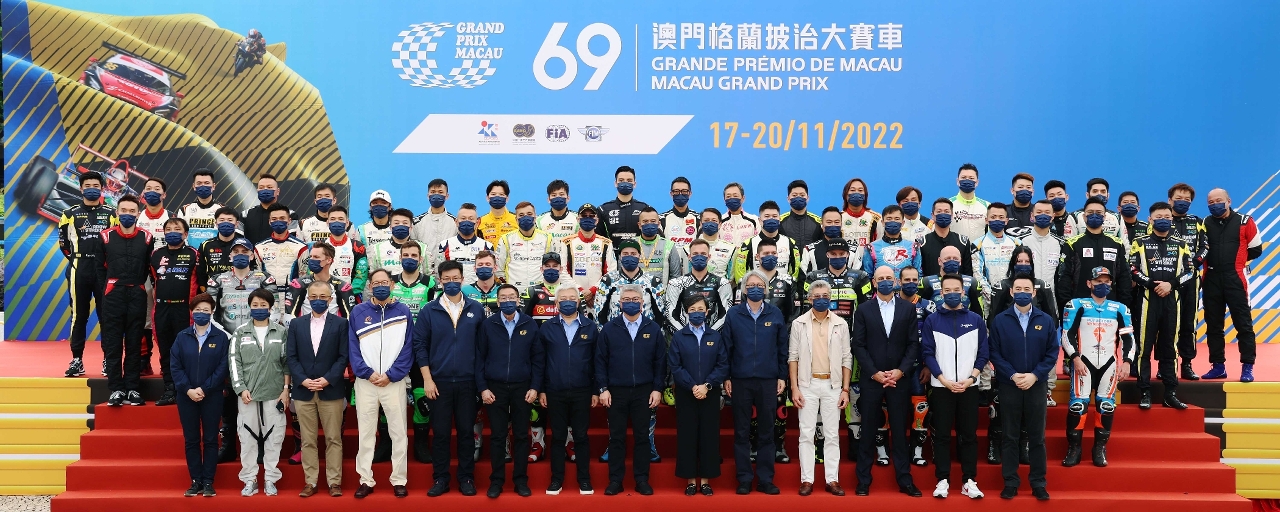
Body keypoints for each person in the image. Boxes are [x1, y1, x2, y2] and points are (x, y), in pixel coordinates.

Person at [414, 260, 487, 497]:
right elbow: (420, 346)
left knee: (466, 432)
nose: (452, 282)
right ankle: (441, 478)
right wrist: (427, 379)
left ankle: (466, 478)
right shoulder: (429, 310)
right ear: (440, 281)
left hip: (468, 382)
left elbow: (483, 348)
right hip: (438, 383)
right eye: (447, 279)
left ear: (463, 279)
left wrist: (480, 383)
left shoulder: (476, 309)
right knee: (441, 433)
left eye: (456, 278)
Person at [852, 266, 922, 497]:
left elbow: (913, 344)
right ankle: (863, 481)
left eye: (888, 278)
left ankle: (905, 480)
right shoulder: (864, 309)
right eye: (880, 278)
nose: (885, 281)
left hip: (899, 379)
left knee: (900, 432)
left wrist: (900, 371)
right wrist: (874, 373)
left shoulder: (907, 309)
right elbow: (858, 345)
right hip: (872, 379)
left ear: (896, 282)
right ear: (874, 282)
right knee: (868, 430)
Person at [988, 275, 1058, 501]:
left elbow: (1052, 353)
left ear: (1034, 292)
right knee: (1009, 436)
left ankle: (1038, 483)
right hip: (1010, 384)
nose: (1022, 292)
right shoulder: (1000, 320)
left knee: (1037, 437)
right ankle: (1010, 482)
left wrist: (1035, 375)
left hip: (1036, 385)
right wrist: (1012, 374)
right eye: (1018, 288)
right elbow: (994, 352)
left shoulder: (1045, 320)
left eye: (1027, 289)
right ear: (1011, 292)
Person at [921, 274, 988, 499]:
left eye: (956, 290)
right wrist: (943, 379)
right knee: (941, 435)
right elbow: (927, 353)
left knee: (968, 435)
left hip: (969, 387)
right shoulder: (932, 320)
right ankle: (942, 480)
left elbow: (983, 353)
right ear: (941, 293)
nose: (951, 293)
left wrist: (971, 379)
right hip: (942, 387)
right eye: (947, 290)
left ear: (963, 292)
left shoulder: (975, 320)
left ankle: (969, 481)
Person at [349, 269, 416, 499]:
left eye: (384, 282)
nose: (380, 286)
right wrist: (367, 373)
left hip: (393, 382)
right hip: (366, 382)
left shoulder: (403, 311)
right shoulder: (358, 312)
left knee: (398, 433)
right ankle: (365, 479)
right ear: (369, 286)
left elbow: (408, 347)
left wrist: (392, 374)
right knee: (366, 433)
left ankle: (399, 479)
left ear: (392, 285)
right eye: (376, 283)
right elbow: (353, 348)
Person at [723, 270, 789, 495]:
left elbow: (782, 348)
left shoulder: (775, 313)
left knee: (767, 431)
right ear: (743, 289)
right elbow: (726, 347)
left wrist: (781, 376)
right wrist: (727, 377)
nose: (755, 289)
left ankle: (765, 479)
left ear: (766, 289)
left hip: (768, 380)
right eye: (751, 285)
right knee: (741, 431)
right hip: (740, 380)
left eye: (760, 285)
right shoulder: (734, 314)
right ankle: (744, 479)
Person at [1061, 267, 1135, 468]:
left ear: (1111, 283)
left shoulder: (1120, 309)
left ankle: (1099, 448)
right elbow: (1067, 334)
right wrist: (1075, 358)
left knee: (1106, 406)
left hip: (1109, 364)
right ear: (1089, 283)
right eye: (1098, 281)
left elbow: (1129, 338)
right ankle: (1074, 448)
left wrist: (1127, 362)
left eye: (1106, 281)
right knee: (1078, 405)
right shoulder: (1076, 305)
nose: (1103, 285)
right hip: (1083, 363)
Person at [597, 285, 667, 496]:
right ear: (619, 303)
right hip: (615, 392)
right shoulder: (609, 328)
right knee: (616, 438)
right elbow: (600, 361)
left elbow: (660, 362)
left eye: (635, 299)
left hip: (644, 392)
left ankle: (642, 480)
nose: (631, 302)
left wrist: (657, 389)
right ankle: (615, 481)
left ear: (642, 302)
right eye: (626, 299)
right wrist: (603, 388)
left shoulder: (653, 329)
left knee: (642, 437)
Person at [286, 281, 350, 498]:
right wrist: (303, 380)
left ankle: (334, 482)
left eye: (323, 297)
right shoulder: (296, 324)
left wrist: (327, 379)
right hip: (303, 391)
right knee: (307, 440)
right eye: (313, 297)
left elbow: (343, 356)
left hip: (331, 389)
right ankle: (310, 482)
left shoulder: (341, 324)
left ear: (331, 299)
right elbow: (291, 357)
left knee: (333, 438)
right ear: (307, 299)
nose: (318, 301)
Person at [788, 279, 852, 496]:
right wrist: (795, 388)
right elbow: (793, 357)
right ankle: (807, 480)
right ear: (809, 299)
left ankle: (832, 479)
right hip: (807, 384)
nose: (822, 299)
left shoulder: (841, 324)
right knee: (806, 433)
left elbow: (846, 358)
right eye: (817, 296)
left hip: (833, 385)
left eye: (825, 296)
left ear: (831, 298)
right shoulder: (799, 323)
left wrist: (845, 389)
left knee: (832, 434)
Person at [535, 286, 600, 495]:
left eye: (572, 298)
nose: (568, 301)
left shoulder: (590, 327)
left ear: (578, 302)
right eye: (563, 298)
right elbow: (540, 362)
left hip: (583, 390)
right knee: (558, 436)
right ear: (556, 303)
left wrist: (596, 390)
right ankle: (556, 480)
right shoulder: (547, 328)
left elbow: (597, 361)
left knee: (581, 436)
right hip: (555, 390)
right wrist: (541, 389)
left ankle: (584, 480)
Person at [477, 284, 541, 498]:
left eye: (511, 297)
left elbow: (538, 359)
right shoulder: (488, 324)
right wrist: (483, 388)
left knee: (521, 435)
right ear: (497, 301)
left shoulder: (529, 324)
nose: (507, 301)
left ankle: (521, 480)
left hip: (523, 387)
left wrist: (535, 386)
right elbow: (479, 358)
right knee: (498, 436)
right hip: (495, 388)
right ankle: (496, 481)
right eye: (503, 297)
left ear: (518, 299)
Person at [1130, 203, 1193, 409]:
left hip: (1172, 300)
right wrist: (1151, 284)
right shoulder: (1139, 242)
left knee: (1170, 348)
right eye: (1159, 216)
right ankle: (1144, 392)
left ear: (1171, 219)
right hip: (1148, 300)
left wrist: (1171, 285)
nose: (1163, 220)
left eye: (1167, 216)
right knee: (1144, 347)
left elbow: (1190, 271)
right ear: (1150, 219)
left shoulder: (1181, 244)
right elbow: (1132, 269)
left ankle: (1170, 393)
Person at [228, 289, 290, 497]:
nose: (259, 308)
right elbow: (234, 362)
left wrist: (285, 390)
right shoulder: (240, 333)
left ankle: (271, 478)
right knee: (247, 439)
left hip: (274, 393)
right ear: (249, 307)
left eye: (263, 305)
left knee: (275, 438)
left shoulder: (280, 332)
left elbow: (287, 363)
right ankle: (250, 479)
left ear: (270, 308)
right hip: (248, 395)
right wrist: (240, 389)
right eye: (255, 305)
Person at [668, 294, 729, 496]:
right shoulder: (679, 337)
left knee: (709, 436)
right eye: (692, 310)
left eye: (700, 309)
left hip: (710, 393)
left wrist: (707, 385)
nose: (697, 313)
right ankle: (690, 481)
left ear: (707, 312)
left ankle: (705, 481)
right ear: (686, 312)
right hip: (686, 394)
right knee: (687, 436)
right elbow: (675, 366)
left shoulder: (715, 336)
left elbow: (722, 365)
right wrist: (693, 386)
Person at [96, 195, 153, 407]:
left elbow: (148, 267)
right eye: (124, 211)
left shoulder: (147, 237)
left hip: (137, 293)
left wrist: (137, 285)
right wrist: (109, 288)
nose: (127, 214)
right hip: (113, 294)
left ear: (138, 214)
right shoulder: (105, 237)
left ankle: (132, 388)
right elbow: (99, 268)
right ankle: (116, 389)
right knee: (112, 344)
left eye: (132, 211)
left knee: (134, 343)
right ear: (117, 212)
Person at [171, 293, 229, 497]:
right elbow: (175, 366)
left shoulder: (221, 337)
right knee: (192, 439)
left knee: (211, 439)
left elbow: (223, 367)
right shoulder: (182, 337)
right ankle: (195, 480)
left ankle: (208, 482)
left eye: (206, 310)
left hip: (212, 395)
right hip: (186, 395)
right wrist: (187, 389)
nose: (201, 313)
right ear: (191, 312)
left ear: (212, 312)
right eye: (198, 310)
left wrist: (205, 389)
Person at [1201, 188, 1262, 382]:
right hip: (1211, 279)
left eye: (1218, 200)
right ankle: (1218, 366)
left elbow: (1256, 249)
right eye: (1211, 202)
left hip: (1235, 278)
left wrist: (1237, 261)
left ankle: (1247, 367)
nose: (1215, 204)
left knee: (1243, 324)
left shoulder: (1245, 221)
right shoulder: (1205, 223)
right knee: (1213, 325)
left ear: (1229, 201)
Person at [391, 242, 436, 463]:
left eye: (414, 255)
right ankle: (387, 443)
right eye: (406, 254)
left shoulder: (430, 282)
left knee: (421, 394)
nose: (410, 258)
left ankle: (421, 443)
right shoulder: (390, 281)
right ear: (400, 258)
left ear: (420, 259)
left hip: (421, 344)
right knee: (390, 392)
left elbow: (435, 312)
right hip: (394, 345)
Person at [151, 218, 199, 406]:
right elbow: (154, 278)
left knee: (186, 350)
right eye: (168, 229)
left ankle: (186, 389)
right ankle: (169, 389)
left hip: (184, 310)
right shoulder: (156, 254)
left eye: (177, 229)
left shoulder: (194, 254)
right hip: (161, 309)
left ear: (185, 234)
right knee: (165, 350)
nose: (172, 232)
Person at [1063, 197, 1133, 306]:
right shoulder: (1072, 244)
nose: (1094, 215)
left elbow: (1124, 276)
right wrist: (1066, 304)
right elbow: (1065, 276)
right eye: (1090, 212)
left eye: (1099, 213)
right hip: (1080, 304)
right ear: (1084, 216)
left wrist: (1124, 305)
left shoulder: (1116, 244)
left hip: (1111, 305)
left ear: (1104, 217)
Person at [1167, 183, 1206, 380]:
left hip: (1191, 279)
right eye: (1178, 198)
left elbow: (1205, 247)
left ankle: (1187, 364)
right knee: (1167, 324)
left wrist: (1194, 263)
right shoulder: (1162, 219)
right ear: (1170, 200)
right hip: (1168, 281)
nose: (1182, 202)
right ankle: (1166, 364)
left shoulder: (1197, 222)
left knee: (1188, 323)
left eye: (1187, 200)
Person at [898, 266, 935, 465]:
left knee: (920, 408)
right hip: (895, 366)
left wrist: (928, 366)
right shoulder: (890, 302)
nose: (911, 283)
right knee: (888, 407)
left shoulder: (929, 306)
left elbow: (934, 339)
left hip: (919, 366)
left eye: (914, 280)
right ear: (899, 282)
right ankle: (887, 450)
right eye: (907, 280)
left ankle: (917, 451)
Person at [135, 178, 172, 374]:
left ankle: (169, 362)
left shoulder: (172, 217)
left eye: (157, 189)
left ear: (164, 195)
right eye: (148, 188)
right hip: (141, 274)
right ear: (143, 194)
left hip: (166, 274)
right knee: (143, 318)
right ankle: (143, 360)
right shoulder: (137, 217)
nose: (152, 192)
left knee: (166, 319)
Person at [1010, 199, 1073, 312]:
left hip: (1051, 300)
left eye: (1047, 212)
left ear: (1053, 217)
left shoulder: (1061, 244)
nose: (1043, 215)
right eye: (1039, 212)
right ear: (1032, 216)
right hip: (1025, 299)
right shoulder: (1019, 241)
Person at [207, 237, 277, 331]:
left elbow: (275, 310)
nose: (240, 255)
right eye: (236, 252)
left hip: (257, 333)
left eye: (244, 252)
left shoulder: (264, 278)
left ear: (251, 256)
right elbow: (209, 312)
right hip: (226, 334)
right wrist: (222, 334)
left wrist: (262, 332)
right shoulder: (217, 280)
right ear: (230, 256)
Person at [665, 239, 735, 331]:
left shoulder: (722, 283)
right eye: (695, 254)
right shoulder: (676, 284)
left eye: (703, 254)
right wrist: (684, 335)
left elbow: (725, 315)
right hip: (684, 336)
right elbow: (671, 315)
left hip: (713, 336)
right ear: (689, 257)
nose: (699, 257)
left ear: (709, 257)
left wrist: (710, 335)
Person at [254, 203, 308, 319]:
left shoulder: (301, 247)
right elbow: (257, 277)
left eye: (282, 218)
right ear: (269, 222)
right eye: (274, 219)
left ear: (289, 221)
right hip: (267, 298)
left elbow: (304, 277)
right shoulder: (259, 247)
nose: (278, 221)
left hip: (292, 297)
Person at [803, 238, 872, 323]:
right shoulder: (813, 277)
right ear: (827, 254)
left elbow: (867, 308)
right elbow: (807, 307)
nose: (837, 257)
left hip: (851, 327)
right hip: (822, 326)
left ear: (848, 254)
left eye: (841, 253)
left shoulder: (861, 277)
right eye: (833, 254)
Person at [731, 200, 801, 283]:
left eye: (774, 216)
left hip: (782, 289)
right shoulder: (748, 244)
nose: (771, 219)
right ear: (759, 220)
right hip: (756, 289)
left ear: (779, 219)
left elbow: (795, 272)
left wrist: (790, 288)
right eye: (767, 216)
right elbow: (740, 273)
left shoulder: (790, 243)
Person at [595, 241, 664, 322]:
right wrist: (606, 330)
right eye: (625, 254)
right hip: (616, 328)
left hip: (645, 328)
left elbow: (661, 314)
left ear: (639, 256)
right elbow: (599, 313)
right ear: (620, 257)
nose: (629, 257)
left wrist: (654, 330)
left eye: (633, 254)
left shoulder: (653, 282)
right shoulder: (608, 280)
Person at [284, 242, 357, 318]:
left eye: (316, 257)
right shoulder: (298, 284)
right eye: (311, 256)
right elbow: (289, 316)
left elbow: (349, 318)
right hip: (305, 325)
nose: (311, 260)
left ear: (329, 260)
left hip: (333, 325)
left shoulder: (342, 287)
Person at [990, 247, 1060, 324]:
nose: (1023, 264)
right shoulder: (1002, 286)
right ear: (1013, 263)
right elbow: (993, 321)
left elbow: (1053, 320)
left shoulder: (1042, 286)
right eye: (1019, 261)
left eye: (1027, 261)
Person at [563, 203, 616, 302]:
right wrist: (580, 291)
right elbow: (562, 271)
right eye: (584, 216)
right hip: (574, 296)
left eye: (591, 216)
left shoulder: (606, 243)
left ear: (597, 220)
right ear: (578, 219)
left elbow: (611, 271)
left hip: (599, 296)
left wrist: (593, 291)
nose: (588, 218)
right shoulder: (566, 243)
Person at [495, 201, 554, 290]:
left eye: (529, 214)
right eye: (521, 215)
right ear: (516, 219)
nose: (526, 217)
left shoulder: (547, 238)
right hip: (514, 292)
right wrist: (509, 286)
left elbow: (554, 266)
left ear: (535, 217)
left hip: (540, 291)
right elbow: (499, 269)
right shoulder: (506, 239)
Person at [310, 206, 368, 294]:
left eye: (341, 219)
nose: (336, 222)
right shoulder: (319, 246)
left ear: (347, 223)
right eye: (333, 219)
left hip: (349, 295)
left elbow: (361, 276)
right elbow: (311, 272)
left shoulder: (357, 246)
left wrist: (348, 292)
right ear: (327, 223)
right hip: (323, 295)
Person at [435, 203, 494, 287]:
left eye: (471, 219)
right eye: (463, 218)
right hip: (454, 291)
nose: (467, 221)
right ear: (456, 222)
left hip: (478, 292)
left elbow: (492, 273)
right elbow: (439, 273)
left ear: (477, 223)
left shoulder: (487, 246)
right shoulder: (445, 245)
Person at [974, 202, 1022, 306]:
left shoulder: (1017, 243)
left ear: (1006, 221)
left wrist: (1015, 293)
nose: (997, 220)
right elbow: (977, 274)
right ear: (986, 220)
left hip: (1013, 297)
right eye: (993, 217)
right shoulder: (977, 244)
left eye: (1001, 217)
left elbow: (1020, 271)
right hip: (988, 299)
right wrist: (992, 296)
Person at [921, 246, 985, 319]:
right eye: (947, 258)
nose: (952, 261)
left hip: (964, 323)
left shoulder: (972, 282)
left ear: (960, 261)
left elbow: (980, 314)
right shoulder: (926, 282)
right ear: (939, 261)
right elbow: (918, 311)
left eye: (955, 259)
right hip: (936, 323)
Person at [863, 204, 923, 281]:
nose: (893, 221)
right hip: (881, 289)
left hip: (906, 289)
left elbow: (918, 275)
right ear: (882, 222)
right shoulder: (870, 248)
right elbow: (867, 276)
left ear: (903, 223)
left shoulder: (914, 246)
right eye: (889, 218)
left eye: (897, 219)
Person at [920, 198, 977, 277]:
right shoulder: (922, 243)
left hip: (958, 284)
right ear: (932, 215)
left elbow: (968, 273)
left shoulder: (963, 242)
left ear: (952, 215)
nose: (943, 215)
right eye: (939, 212)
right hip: (930, 284)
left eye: (946, 212)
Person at [597, 165, 651, 250]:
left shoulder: (644, 208)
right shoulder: (603, 210)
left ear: (634, 184)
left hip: (639, 256)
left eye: (629, 181)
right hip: (612, 256)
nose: (625, 183)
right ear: (615, 183)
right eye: (621, 180)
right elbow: (598, 238)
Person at [411, 178, 458, 272]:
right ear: (428, 196)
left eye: (440, 192)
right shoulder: (416, 222)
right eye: (433, 192)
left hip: (447, 274)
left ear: (447, 196)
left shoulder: (455, 223)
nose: (436, 195)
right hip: (423, 273)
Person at [196, 207, 245, 292]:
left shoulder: (244, 245)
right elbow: (201, 272)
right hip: (213, 291)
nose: (226, 223)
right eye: (222, 220)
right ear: (216, 223)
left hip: (238, 291)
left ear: (236, 224)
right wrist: (205, 291)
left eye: (230, 220)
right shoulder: (206, 245)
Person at [635, 206, 686, 287]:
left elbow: (676, 277)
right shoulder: (631, 244)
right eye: (645, 221)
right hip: (636, 293)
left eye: (653, 221)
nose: (649, 224)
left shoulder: (669, 245)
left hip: (662, 293)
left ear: (658, 224)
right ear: (639, 225)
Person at [367, 208, 426, 277]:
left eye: (405, 223)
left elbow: (429, 276)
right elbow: (371, 276)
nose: (400, 226)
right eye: (396, 223)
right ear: (390, 227)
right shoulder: (376, 249)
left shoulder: (423, 248)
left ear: (411, 227)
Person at [242, 174, 296, 248]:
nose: (265, 190)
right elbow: (239, 241)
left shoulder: (290, 214)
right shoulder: (245, 214)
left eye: (269, 187)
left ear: (278, 191)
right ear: (257, 191)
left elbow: (293, 241)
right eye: (261, 187)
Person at [1067, 178, 1126, 243]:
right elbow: (1069, 243)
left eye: (1103, 192)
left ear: (1108, 195)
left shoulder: (1117, 217)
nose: (1099, 194)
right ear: (1087, 195)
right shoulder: (1075, 216)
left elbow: (1125, 244)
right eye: (1095, 191)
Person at [523, 253, 577, 324]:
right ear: (542, 269)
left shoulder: (573, 292)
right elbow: (522, 321)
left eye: (555, 266)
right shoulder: (530, 292)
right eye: (547, 266)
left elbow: (583, 322)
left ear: (561, 269)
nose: (551, 269)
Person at [178, 169, 225, 248]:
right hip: (191, 253)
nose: (203, 186)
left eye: (207, 183)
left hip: (215, 252)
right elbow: (180, 234)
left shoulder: (223, 209)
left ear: (213, 186)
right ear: (194, 186)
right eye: (199, 183)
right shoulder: (185, 210)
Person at [840, 178, 881, 259]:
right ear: (845, 195)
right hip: (844, 263)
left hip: (869, 263)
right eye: (852, 190)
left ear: (865, 195)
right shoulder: (838, 217)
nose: (856, 193)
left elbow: (880, 244)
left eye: (860, 190)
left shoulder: (876, 218)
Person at [950, 163, 991, 241]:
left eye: (971, 178)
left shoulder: (987, 206)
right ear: (957, 181)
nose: (967, 180)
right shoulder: (948, 205)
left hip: (979, 249)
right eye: (963, 177)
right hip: (954, 249)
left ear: (977, 182)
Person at [693, 207, 737, 279]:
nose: (710, 223)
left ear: (720, 224)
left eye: (714, 220)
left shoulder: (731, 249)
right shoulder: (688, 248)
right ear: (700, 224)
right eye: (706, 220)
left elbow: (731, 278)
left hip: (722, 286)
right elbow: (687, 275)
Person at [799, 207, 845, 275]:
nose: (833, 225)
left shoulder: (853, 251)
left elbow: (858, 276)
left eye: (836, 222)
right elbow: (803, 277)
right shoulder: (809, 250)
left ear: (841, 224)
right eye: (829, 222)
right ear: (822, 225)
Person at [780, 179, 824, 250]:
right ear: (788, 199)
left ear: (807, 198)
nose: (798, 198)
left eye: (802, 195)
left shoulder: (818, 222)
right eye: (794, 195)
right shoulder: (780, 222)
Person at [536, 180, 579, 246]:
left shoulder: (578, 219)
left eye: (561, 194)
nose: (558, 197)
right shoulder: (539, 221)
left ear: (568, 198)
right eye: (554, 195)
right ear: (548, 199)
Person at [661, 176, 699, 248]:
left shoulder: (698, 219)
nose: (680, 194)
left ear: (690, 193)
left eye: (684, 191)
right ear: (671, 194)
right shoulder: (662, 219)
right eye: (676, 191)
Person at [462, 250, 502, 316]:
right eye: (480, 265)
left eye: (488, 264)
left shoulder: (504, 290)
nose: (484, 267)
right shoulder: (464, 291)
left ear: (495, 268)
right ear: (475, 268)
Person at [720, 182, 759, 247]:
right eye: (728, 196)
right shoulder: (719, 221)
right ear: (724, 200)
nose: (732, 199)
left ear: (743, 198)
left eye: (735, 196)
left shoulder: (754, 220)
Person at [480, 180, 518, 245]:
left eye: (501, 194)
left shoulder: (517, 220)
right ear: (487, 198)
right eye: (493, 194)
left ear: (507, 198)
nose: (497, 197)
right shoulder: (480, 222)